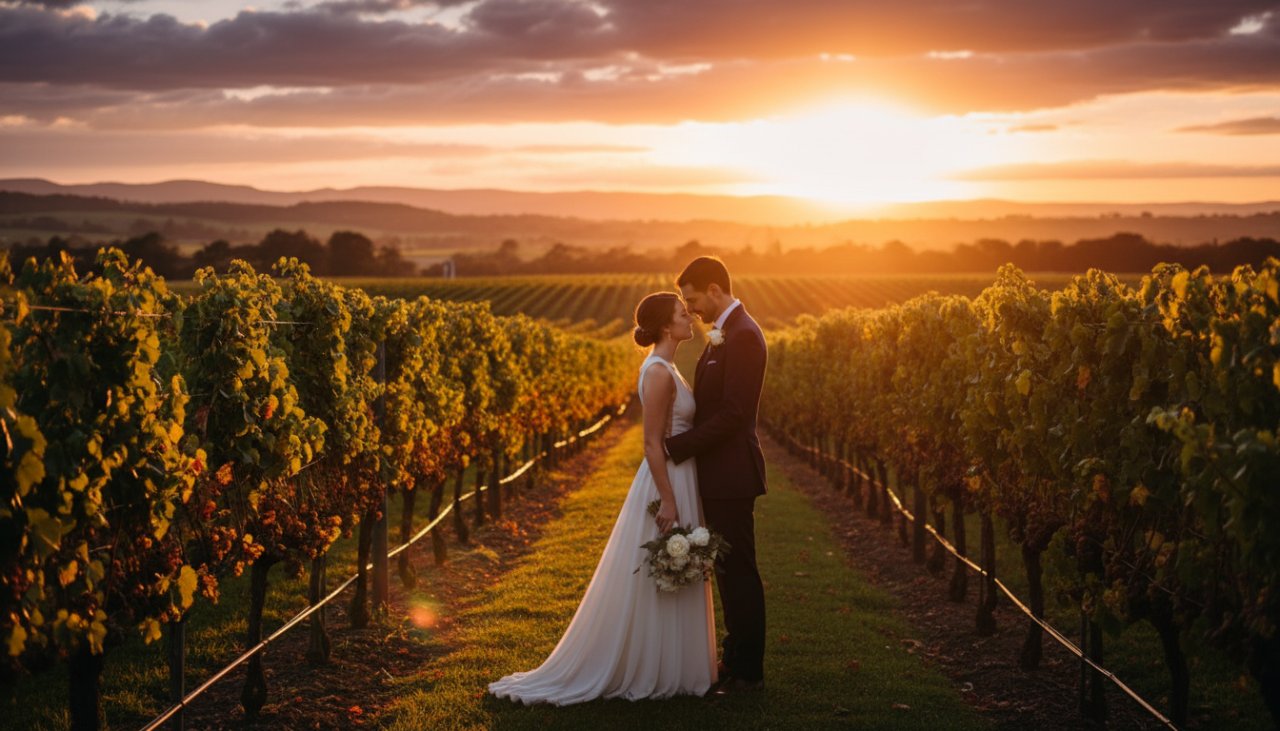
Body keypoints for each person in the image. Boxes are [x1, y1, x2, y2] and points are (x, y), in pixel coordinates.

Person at [488, 292, 716, 705]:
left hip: (680, 475)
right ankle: (656, 664)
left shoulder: (666, 367)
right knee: (664, 569)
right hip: (667, 480)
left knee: (674, 569)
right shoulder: (658, 372)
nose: (690, 319)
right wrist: (668, 500)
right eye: (683, 314)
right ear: (667, 326)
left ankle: (674, 664)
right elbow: (651, 444)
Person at [666, 256, 768, 695]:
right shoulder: (726, 333)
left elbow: (733, 414)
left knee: (739, 570)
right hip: (719, 473)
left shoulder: (743, 335)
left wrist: (678, 447)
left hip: (732, 473)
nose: (691, 310)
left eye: (692, 300)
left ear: (713, 289)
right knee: (727, 570)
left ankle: (748, 673)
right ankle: (734, 657)